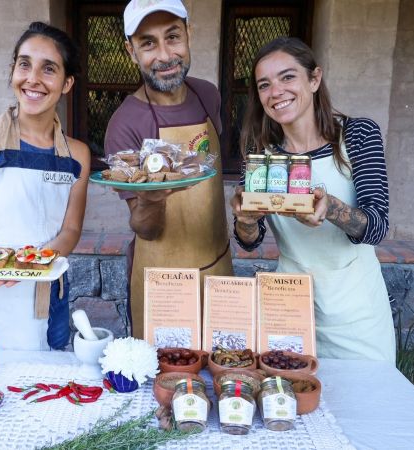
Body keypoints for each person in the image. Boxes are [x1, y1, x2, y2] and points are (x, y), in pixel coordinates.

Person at [231, 37, 395, 363]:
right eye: (264, 85)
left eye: (288, 77)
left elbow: (377, 225)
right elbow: (250, 241)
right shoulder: (260, 154)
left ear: (314, 79)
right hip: (287, 305)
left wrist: (331, 208)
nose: (276, 91)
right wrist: (245, 221)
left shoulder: (358, 134)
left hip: (356, 311)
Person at [0, 22, 90, 351]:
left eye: (48, 69)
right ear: (13, 71)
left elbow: (71, 229)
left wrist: (32, 264)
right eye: (24, 64)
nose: (33, 79)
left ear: (67, 83)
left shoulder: (76, 154)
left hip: (47, 297)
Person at [105, 0, 233, 340]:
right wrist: (152, 199)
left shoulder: (208, 96)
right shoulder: (125, 125)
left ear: (189, 34)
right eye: (148, 43)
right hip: (162, 286)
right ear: (131, 51)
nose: (164, 55)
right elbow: (144, 229)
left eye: (173, 36)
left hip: (219, 266)